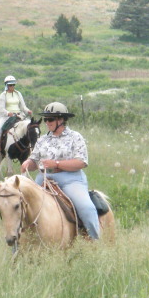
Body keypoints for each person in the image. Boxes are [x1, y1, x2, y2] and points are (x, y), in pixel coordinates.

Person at [20, 102, 100, 240]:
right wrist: (28, 163)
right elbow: (34, 161)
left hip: (71, 179)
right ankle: (18, 242)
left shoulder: (75, 137)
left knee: (86, 208)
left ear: (61, 119)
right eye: (46, 119)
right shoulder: (42, 140)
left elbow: (81, 162)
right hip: (43, 178)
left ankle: (94, 240)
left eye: (50, 119)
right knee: (19, 203)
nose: (47, 122)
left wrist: (56, 163)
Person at [0, 75, 32, 156]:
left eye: (13, 85)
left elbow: (23, 106)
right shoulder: (3, 95)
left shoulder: (18, 93)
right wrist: (8, 113)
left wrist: (28, 110)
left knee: (30, 126)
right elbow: (1, 108)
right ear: (6, 85)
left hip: (18, 115)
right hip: (6, 116)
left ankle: (31, 147)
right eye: (10, 85)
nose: (12, 86)